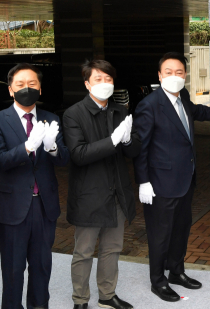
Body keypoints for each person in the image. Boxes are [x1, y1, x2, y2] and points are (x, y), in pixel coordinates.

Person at [133, 51, 210, 302]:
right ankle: (158, 281)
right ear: (160, 75)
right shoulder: (149, 105)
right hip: (160, 184)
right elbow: (141, 148)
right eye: (168, 72)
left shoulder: (183, 96)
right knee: (160, 234)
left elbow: (198, 112)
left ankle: (176, 271)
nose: (174, 77)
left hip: (185, 180)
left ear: (185, 75)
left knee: (181, 230)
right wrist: (143, 181)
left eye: (179, 72)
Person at [0, 63, 70, 309]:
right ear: (11, 90)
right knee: (13, 267)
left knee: (42, 265)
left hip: (44, 205)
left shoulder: (51, 118)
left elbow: (64, 159)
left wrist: (52, 146)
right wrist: (27, 147)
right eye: (20, 84)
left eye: (32, 84)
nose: (27, 88)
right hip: (12, 205)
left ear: (40, 89)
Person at [63, 59, 139, 309]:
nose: (104, 83)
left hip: (117, 191)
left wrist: (127, 141)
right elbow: (79, 154)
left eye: (108, 79)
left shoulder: (121, 111)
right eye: (98, 79)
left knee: (112, 248)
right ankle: (80, 299)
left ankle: (107, 294)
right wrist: (113, 140)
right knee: (84, 251)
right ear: (87, 84)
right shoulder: (74, 113)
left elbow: (133, 151)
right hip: (89, 195)